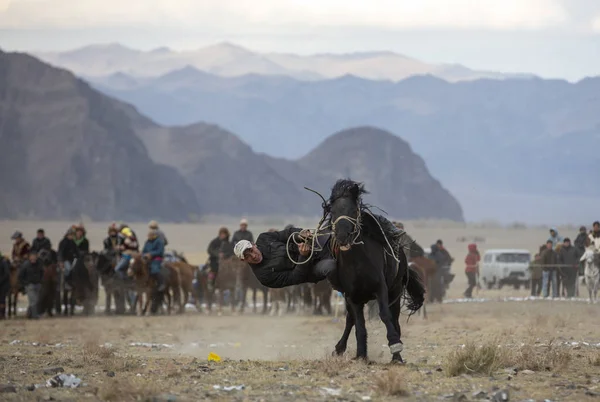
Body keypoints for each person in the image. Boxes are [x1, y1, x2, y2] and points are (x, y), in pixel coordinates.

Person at [233, 226, 336, 288]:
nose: (253, 256)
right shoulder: (264, 277)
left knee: (336, 227)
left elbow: (287, 233)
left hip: (314, 244)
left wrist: (299, 235)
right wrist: (303, 256)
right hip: (313, 268)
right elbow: (295, 278)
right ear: (243, 260)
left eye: (251, 250)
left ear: (253, 244)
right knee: (331, 267)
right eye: (247, 257)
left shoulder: (264, 238)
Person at [18, 250, 43, 319]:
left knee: (36, 300)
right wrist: (25, 284)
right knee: (33, 300)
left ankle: (29, 313)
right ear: (29, 257)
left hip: (37, 284)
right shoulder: (25, 265)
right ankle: (35, 316)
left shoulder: (39, 264)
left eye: (34, 256)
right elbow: (20, 276)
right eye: (32, 256)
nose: (33, 258)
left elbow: (42, 273)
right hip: (29, 285)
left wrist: (40, 281)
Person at [142, 229, 166, 296]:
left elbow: (160, 251)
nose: (148, 236)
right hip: (147, 258)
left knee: (154, 269)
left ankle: (161, 283)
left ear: (154, 235)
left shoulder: (159, 242)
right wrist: (144, 255)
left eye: (150, 235)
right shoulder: (147, 242)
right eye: (148, 235)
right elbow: (143, 251)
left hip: (156, 258)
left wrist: (151, 254)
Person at [0, 251, 10, 319]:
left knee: (2, 299)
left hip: (4, 284)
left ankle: (2, 314)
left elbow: (6, 273)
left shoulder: (3, 262)